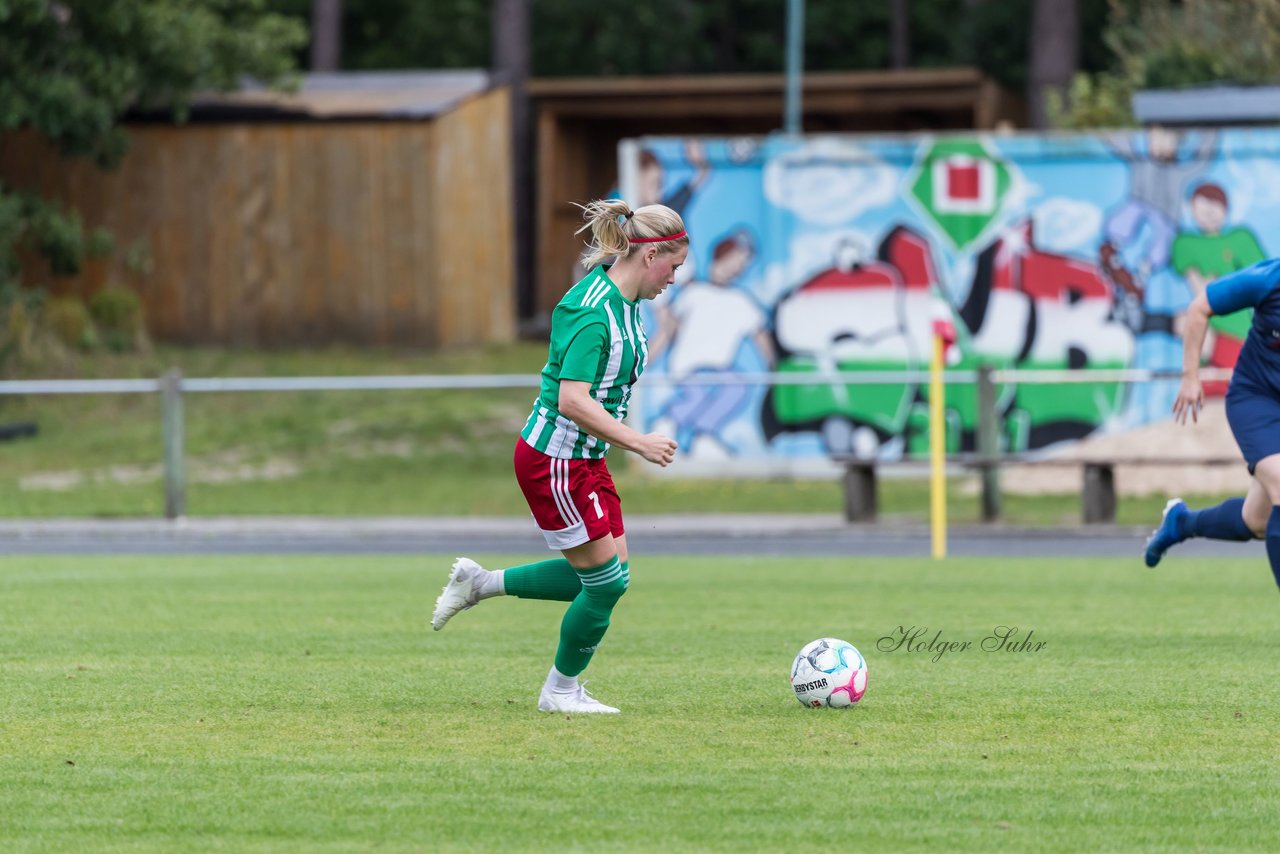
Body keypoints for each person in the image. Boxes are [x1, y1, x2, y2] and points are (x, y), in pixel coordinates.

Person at [430, 199, 685, 713]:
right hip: (555, 460)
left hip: (584, 459)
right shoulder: (592, 310)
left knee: (610, 577)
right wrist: (638, 442)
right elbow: (572, 399)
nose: (674, 279)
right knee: (606, 582)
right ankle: (560, 692)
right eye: (674, 267)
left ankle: (480, 583)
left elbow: (611, 374)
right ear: (652, 253)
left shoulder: (629, 307)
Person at [1144, 257, 1280, 590]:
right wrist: (1191, 377)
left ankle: (1182, 523)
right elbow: (1199, 308)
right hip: (1256, 401)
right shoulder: (1267, 279)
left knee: (1257, 520)